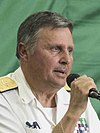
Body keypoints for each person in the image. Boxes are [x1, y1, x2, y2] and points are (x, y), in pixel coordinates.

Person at [0, 11, 100, 133]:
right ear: (24, 52)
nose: (66, 59)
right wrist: (73, 113)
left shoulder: (74, 96)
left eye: (70, 51)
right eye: (55, 49)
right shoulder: (3, 100)